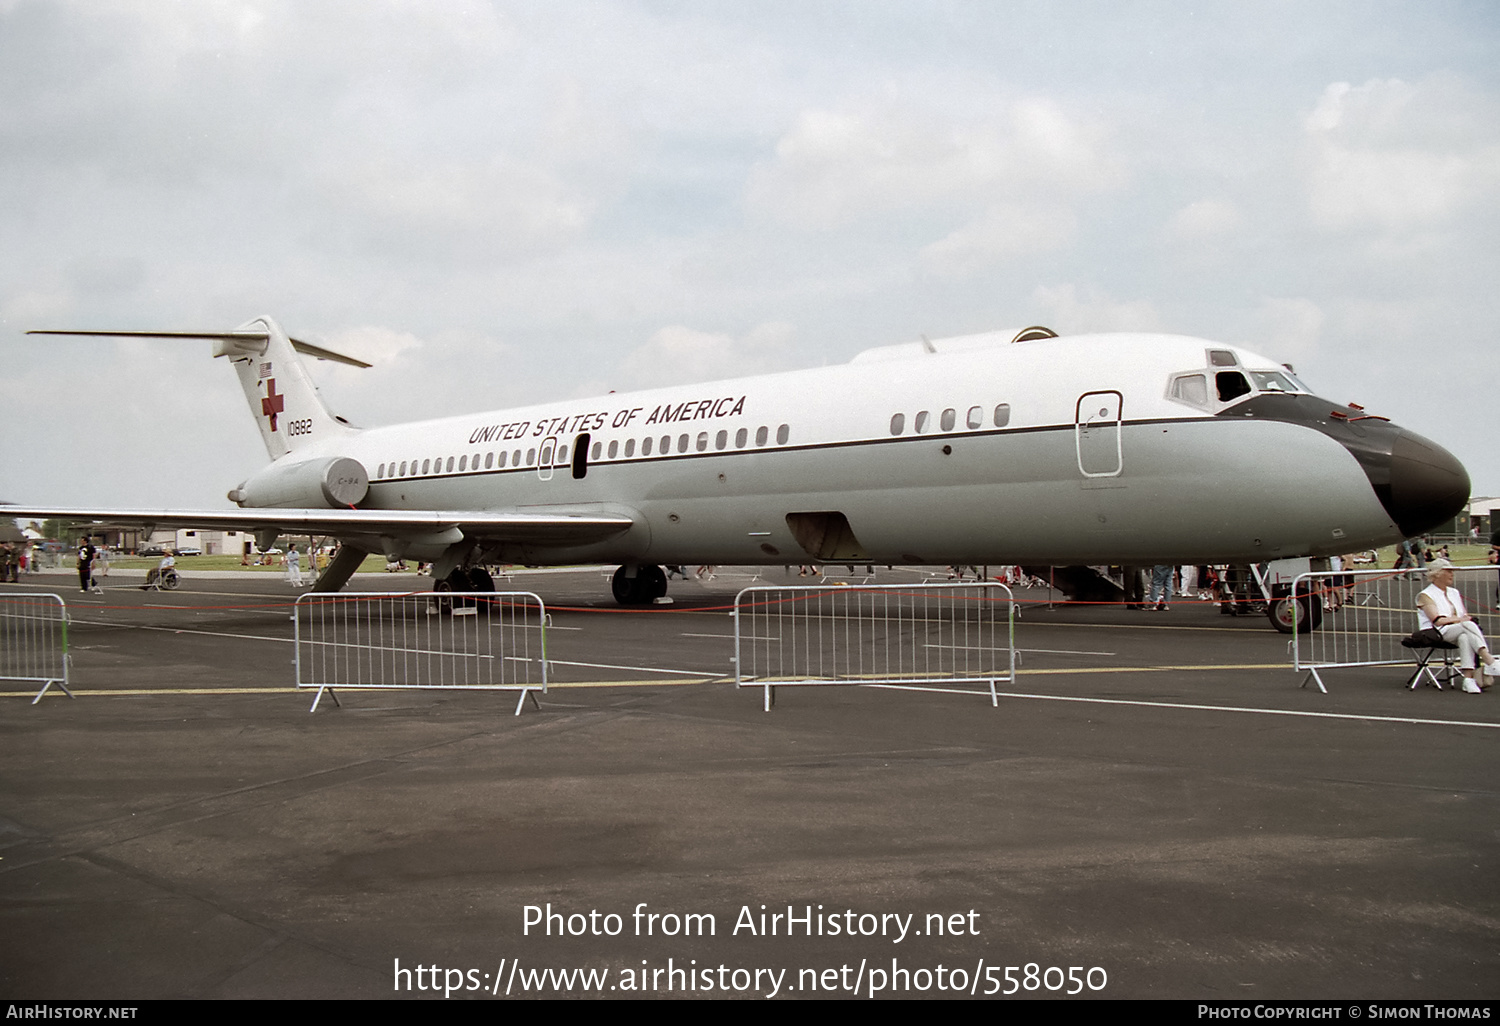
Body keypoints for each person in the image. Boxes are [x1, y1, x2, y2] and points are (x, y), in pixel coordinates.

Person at [1416, 559, 1495, 693]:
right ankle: (1489, 660)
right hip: (1435, 632)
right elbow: (1437, 621)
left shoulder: (1454, 592)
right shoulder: (1425, 595)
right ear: (1437, 574)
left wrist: (1460, 619)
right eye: (1448, 571)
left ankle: (1468, 680)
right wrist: (1460, 619)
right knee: (1467, 625)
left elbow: (1463, 614)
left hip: (1457, 629)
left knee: (1465, 637)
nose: (1452, 574)